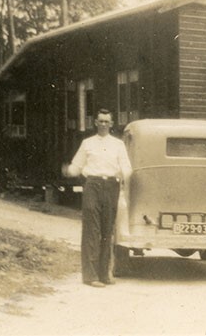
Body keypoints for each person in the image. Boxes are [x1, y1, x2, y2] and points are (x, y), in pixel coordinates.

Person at [64, 109, 132, 287]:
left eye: (106, 121)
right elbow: (76, 166)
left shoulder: (118, 145)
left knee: (107, 231)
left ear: (111, 124)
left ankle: (104, 274)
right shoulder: (87, 143)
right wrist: (69, 170)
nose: (103, 124)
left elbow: (126, 167)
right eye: (100, 121)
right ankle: (91, 276)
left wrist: (124, 180)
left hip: (112, 186)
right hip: (92, 185)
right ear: (95, 123)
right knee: (91, 230)